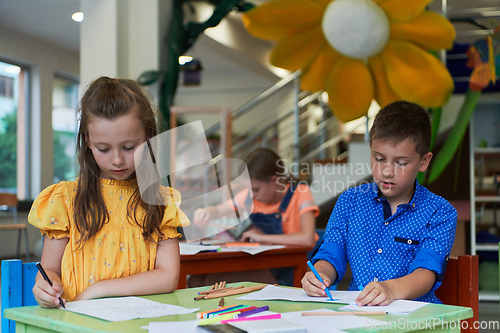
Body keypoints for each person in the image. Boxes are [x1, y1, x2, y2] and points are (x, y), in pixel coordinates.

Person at [29, 77, 189, 308]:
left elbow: (168, 276)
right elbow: (50, 270)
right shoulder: (64, 199)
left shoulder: (161, 200)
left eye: (129, 147)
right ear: (88, 142)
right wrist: (45, 287)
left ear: (148, 137)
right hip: (78, 323)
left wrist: (99, 289)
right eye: (103, 149)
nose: (117, 160)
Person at [302, 100, 457, 306]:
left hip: (413, 319)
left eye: (401, 163)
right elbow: (331, 255)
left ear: (424, 162)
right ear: (370, 150)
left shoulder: (440, 212)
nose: (387, 171)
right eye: (379, 159)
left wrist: (390, 290)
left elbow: (426, 272)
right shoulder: (349, 202)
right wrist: (319, 276)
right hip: (357, 314)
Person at [192, 147, 320, 286]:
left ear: (275, 181)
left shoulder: (300, 192)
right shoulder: (250, 196)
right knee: (197, 278)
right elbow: (218, 210)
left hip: (293, 270)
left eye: (256, 189)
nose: (252, 194)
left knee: (209, 281)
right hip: (264, 263)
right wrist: (206, 212)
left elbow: (307, 239)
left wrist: (262, 237)